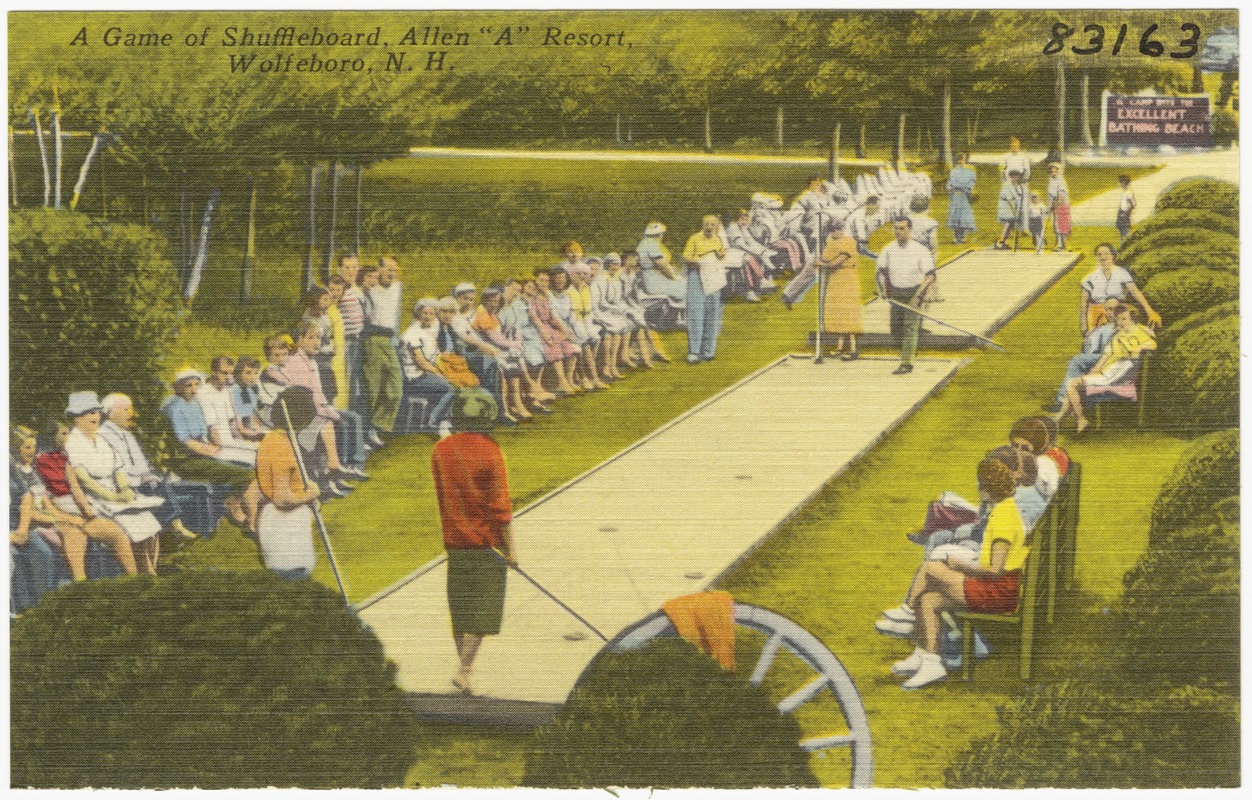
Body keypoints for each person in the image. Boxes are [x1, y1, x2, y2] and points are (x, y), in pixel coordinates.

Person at [882, 456, 1028, 689]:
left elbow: (995, 570)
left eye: (981, 485)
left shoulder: (1003, 518)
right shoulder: (1006, 509)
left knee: (931, 568)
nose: (979, 489)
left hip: (999, 592)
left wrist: (959, 565)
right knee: (929, 600)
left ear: (988, 489)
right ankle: (928, 659)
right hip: (998, 586)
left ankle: (908, 611)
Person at [432, 388, 518, 696]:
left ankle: (464, 671)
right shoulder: (491, 451)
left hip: (454, 540)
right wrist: (512, 550)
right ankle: (465, 669)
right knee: (483, 612)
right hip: (486, 544)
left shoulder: (441, 450)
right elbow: (500, 506)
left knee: (461, 609)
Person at [64, 391, 163, 574]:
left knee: (150, 525)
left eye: (96, 412)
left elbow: (117, 468)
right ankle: (139, 576)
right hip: (96, 498)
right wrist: (113, 496)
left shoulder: (101, 439)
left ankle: (150, 571)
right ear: (76, 418)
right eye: (87, 413)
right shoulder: (73, 442)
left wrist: (125, 488)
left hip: (117, 493)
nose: (94, 417)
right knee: (134, 526)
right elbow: (84, 480)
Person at [162, 368, 262, 535]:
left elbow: (206, 434)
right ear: (178, 388)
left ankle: (234, 504)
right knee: (248, 475)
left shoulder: (193, 404)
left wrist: (217, 447)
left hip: (201, 453)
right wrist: (214, 451)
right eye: (188, 385)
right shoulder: (175, 409)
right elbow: (186, 442)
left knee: (247, 463)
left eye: (196, 384)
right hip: (186, 460)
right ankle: (251, 523)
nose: (194, 389)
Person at [99, 392, 199, 541]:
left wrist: (148, 474)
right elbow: (117, 470)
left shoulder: (126, 434)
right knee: (160, 487)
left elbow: (140, 462)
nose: (132, 414)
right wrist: (142, 478)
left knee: (165, 482)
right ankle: (175, 527)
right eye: (126, 410)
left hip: (139, 480)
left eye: (131, 409)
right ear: (111, 414)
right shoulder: (103, 435)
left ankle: (177, 527)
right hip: (123, 485)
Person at [1054, 304, 1157, 434]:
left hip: (1121, 373)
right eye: (1118, 319)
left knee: (1073, 384)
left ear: (1132, 318)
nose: (1120, 322)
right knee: (1076, 384)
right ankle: (1064, 421)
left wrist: (1139, 348)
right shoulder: (1117, 337)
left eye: (1124, 319)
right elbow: (1104, 358)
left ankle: (1074, 420)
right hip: (1109, 373)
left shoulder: (1140, 331)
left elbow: (1152, 344)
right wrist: (1092, 374)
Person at [287, 321, 371, 478]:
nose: (317, 342)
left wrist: (328, 408)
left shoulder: (311, 361)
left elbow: (318, 392)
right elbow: (305, 397)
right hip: (305, 412)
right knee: (342, 422)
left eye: (319, 338)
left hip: (318, 407)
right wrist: (328, 412)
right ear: (300, 339)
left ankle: (354, 464)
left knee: (354, 417)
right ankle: (340, 467)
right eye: (311, 337)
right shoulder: (296, 363)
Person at [256, 386, 322, 580]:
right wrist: (312, 493)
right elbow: (282, 500)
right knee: (295, 581)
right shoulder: (282, 447)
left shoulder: (271, 439)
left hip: (281, 523)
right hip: (284, 527)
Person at [876, 218, 936, 375]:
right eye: (895, 228)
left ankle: (906, 363)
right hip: (896, 293)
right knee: (895, 329)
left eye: (902, 228)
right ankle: (909, 350)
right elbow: (881, 272)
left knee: (910, 328)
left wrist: (918, 297)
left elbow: (930, 276)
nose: (898, 231)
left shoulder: (920, 250)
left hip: (915, 291)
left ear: (910, 229)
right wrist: (883, 289)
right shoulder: (888, 249)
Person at [450, 283, 515, 425]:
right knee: (492, 366)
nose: (468, 302)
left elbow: (481, 335)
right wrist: (485, 347)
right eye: (465, 299)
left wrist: (488, 347)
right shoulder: (454, 315)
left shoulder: (474, 314)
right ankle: (494, 413)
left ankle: (499, 411)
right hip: (462, 354)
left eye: (472, 299)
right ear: (457, 298)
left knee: (496, 369)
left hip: (475, 351)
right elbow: (466, 338)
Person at [1043, 299, 1122, 413]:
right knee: (1077, 363)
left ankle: (1062, 402)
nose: (1112, 312)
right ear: (1105, 311)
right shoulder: (1103, 329)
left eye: (1116, 309)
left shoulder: (1121, 325)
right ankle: (1068, 401)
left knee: (1077, 362)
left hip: (1111, 359)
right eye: (1109, 309)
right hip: (1100, 357)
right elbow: (1089, 348)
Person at [472, 285, 537, 420]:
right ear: (485, 300)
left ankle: (517, 402)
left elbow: (501, 335)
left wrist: (515, 344)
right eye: (493, 301)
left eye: (497, 301)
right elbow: (494, 338)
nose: (495, 304)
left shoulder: (492, 314)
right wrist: (514, 344)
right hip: (484, 352)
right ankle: (512, 406)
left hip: (494, 348)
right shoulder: (481, 313)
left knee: (515, 361)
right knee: (512, 364)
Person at [399, 298, 459, 435]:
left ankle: (445, 422)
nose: (428, 317)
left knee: (452, 382)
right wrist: (439, 373)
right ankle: (434, 422)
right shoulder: (412, 333)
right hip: (413, 378)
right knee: (450, 388)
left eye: (432, 314)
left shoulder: (429, 330)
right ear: (418, 314)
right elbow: (421, 362)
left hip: (424, 374)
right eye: (425, 313)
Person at [362, 257, 404, 443]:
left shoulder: (397, 288)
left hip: (390, 340)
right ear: (378, 270)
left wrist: (396, 337)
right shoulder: (369, 289)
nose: (391, 274)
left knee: (395, 387)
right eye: (387, 269)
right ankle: (367, 431)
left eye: (394, 270)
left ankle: (378, 425)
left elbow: (396, 314)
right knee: (374, 387)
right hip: (372, 339)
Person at [498, 278, 557, 409]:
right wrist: (518, 342)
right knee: (527, 357)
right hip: (514, 340)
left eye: (518, 290)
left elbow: (531, 321)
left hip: (523, 336)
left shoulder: (526, 302)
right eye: (514, 289)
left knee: (541, 354)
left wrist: (545, 335)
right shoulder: (511, 305)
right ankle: (532, 392)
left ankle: (534, 390)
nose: (516, 292)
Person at [1079, 243, 1162, 335]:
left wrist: (1149, 311)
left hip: (1120, 313)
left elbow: (1135, 292)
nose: (1103, 257)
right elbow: (1083, 305)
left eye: (1106, 254)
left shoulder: (1122, 273)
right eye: (1099, 254)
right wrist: (1084, 326)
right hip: (1098, 317)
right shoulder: (1089, 279)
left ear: (1113, 255)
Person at [682, 215, 729, 364]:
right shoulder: (694, 238)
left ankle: (708, 350)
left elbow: (722, 254)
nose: (709, 227)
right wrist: (699, 262)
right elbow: (686, 257)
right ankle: (694, 352)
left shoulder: (717, 239)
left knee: (712, 312)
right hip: (697, 276)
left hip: (714, 277)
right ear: (702, 225)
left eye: (712, 225)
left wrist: (717, 257)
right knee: (696, 312)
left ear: (717, 227)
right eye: (706, 224)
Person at [197, 355, 258, 464]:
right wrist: (227, 452)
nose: (229, 377)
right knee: (255, 459)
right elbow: (213, 433)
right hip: (218, 447)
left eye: (231, 373)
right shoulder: (204, 393)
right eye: (224, 373)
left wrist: (243, 443)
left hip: (231, 443)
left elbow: (233, 425)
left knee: (264, 451)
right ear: (213, 372)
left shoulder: (227, 391)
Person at [529, 270, 582, 393]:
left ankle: (569, 380)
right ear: (536, 281)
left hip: (550, 327)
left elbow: (553, 317)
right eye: (541, 280)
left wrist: (565, 330)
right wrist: (545, 334)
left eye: (546, 281)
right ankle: (562, 382)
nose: (544, 283)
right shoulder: (531, 298)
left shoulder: (547, 296)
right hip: (539, 330)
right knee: (555, 349)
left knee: (571, 349)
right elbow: (535, 319)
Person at [817, 219, 863, 360]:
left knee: (848, 311)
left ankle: (854, 349)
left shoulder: (848, 241)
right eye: (832, 230)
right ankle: (840, 346)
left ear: (842, 228)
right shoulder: (831, 242)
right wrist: (820, 262)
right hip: (835, 279)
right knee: (838, 312)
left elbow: (837, 261)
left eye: (837, 229)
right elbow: (825, 258)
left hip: (847, 278)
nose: (835, 232)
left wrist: (822, 264)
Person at [588, 259, 634, 378]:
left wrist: (614, 311)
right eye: (591, 269)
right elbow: (595, 306)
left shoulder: (600, 282)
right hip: (593, 315)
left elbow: (603, 302)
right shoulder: (591, 283)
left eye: (596, 269)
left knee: (617, 333)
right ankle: (606, 367)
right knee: (610, 332)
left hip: (601, 313)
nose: (593, 272)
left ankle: (611, 366)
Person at [336, 254, 368, 417]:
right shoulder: (337, 290)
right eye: (347, 267)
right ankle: (347, 420)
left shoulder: (359, 291)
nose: (351, 271)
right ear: (339, 269)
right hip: (345, 343)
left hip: (360, 341)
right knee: (347, 384)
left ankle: (360, 423)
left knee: (360, 383)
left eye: (355, 267)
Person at [301, 286, 340, 405]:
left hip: (326, 355)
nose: (329, 302)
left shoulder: (325, 315)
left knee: (328, 381)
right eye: (325, 299)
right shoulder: (310, 317)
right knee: (322, 382)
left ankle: (329, 404)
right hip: (318, 355)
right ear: (315, 300)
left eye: (329, 299)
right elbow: (315, 336)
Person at [636, 221, 687, 302]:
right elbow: (662, 264)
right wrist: (675, 277)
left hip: (649, 279)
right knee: (686, 287)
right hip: (654, 282)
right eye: (662, 234)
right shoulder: (651, 244)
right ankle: (682, 312)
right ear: (659, 234)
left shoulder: (643, 243)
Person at [230, 356, 268, 441]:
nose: (253, 377)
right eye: (248, 373)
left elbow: (252, 412)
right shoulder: (236, 389)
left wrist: (258, 427)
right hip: (238, 424)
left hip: (249, 421)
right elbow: (238, 419)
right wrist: (247, 431)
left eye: (255, 373)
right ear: (239, 374)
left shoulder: (252, 388)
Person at [946, 152, 977, 244]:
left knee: (964, 217)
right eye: (959, 160)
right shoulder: (953, 171)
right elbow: (951, 184)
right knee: (955, 215)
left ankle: (963, 236)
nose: (960, 162)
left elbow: (971, 183)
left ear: (965, 160)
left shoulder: (969, 172)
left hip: (964, 196)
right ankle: (956, 237)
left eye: (962, 160)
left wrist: (969, 189)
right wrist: (955, 187)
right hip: (956, 196)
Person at [995, 169, 1026, 250]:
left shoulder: (1017, 186)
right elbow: (1010, 199)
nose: (1014, 178)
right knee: (1007, 224)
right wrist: (1015, 210)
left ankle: (1004, 242)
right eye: (1013, 176)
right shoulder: (1007, 185)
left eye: (1016, 176)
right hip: (1006, 208)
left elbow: (1019, 197)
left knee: (1010, 226)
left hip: (1013, 209)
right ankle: (1000, 241)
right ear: (1010, 176)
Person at [848, 195, 885, 260]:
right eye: (877, 207)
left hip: (856, 245)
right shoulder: (860, 216)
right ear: (870, 205)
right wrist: (876, 255)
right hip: (849, 247)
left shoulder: (865, 214)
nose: (878, 210)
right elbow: (862, 241)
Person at [1046, 162, 1071, 251]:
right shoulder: (1051, 181)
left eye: (1055, 171)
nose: (1054, 173)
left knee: (1062, 226)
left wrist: (1054, 205)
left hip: (1062, 206)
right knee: (1057, 226)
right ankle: (1060, 244)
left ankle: (1062, 245)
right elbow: (1050, 196)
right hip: (1056, 207)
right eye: (1052, 171)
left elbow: (1060, 197)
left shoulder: (1060, 181)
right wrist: (1050, 206)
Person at [1115, 174, 1136, 243]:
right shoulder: (1124, 192)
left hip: (1125, 214)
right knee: (1121, 230)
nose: (1119, 184)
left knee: (1125, 232)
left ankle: (1126, 246)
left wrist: (1126, 214)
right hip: (1121, 213)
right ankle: (1123, 245)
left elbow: (1133, 204)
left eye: (1120, 182)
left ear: (1124, 183)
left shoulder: (1129, 192)